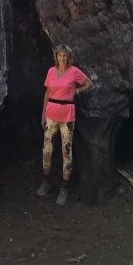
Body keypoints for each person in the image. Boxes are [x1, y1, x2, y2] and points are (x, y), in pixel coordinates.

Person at [36, 43, 93, 206]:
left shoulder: (74, 71)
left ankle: (65, 187)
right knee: (47, 150)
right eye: (59, 55)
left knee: (66, 152)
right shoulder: (51, 71)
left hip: (67, 116)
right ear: (56, 56)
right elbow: (47, 92)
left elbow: (88, 83)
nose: (61, 58)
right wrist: (43, 113)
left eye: (64, 55)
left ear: (68, 56)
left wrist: (78, 91)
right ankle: (46, 181)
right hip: (50, 115)